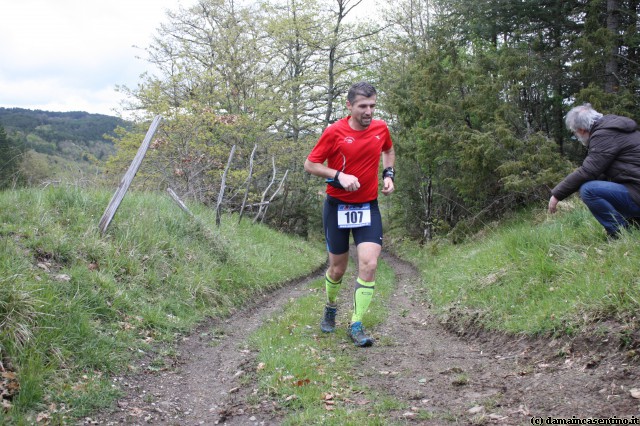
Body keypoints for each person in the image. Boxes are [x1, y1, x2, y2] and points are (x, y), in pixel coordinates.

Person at [304, 81, 395, 347]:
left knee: (369, 264)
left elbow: (388, 150)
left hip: (367, 206)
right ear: (349, 106)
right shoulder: (334, 132)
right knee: (337, 268)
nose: (368, 112)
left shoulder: (381, 129)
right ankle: (331, 306)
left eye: (372, 106)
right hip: (337, 208)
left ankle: (356, 324)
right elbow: (310, 164)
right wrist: (338, 175)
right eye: (362, 106)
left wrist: (388, 175)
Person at [548, 103, 640, 239]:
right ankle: (634, 222)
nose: (576, 137)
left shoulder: (604, 134)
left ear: (582, 130)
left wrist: (556, 195)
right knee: (599, 183)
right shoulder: (613, 127)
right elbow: (600, 171)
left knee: (589, 190)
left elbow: (588, 171)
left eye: (575, 133)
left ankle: (619, 233)